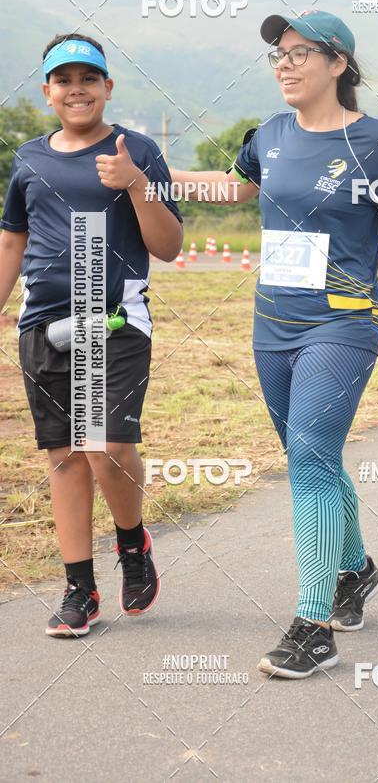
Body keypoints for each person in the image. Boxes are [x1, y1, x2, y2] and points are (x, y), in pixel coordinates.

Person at [170, 9, 378, 679]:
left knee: (309, 453)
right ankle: (355, 570)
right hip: (271, 325)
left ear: (339, 64)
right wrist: (152, 179)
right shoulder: (270, 135)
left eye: (301, 52)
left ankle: (313, 627)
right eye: (277, 53)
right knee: (314, 456)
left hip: (342, 323)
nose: (285, 62)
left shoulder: (375, 144)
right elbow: (235, 188)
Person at [0, 34, 183, 636]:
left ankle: (132, 545)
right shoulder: (28, 159)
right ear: (47, 91)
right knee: (65, 456)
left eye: (89, 78)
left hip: (116, 322)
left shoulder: (139, 150)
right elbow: (12, 241)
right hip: (45, 327)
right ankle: (79, 588)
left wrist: (133, 182)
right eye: (64, 79)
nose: (76, 89)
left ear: (108, 87)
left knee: (106, 445)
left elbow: (169, 246)